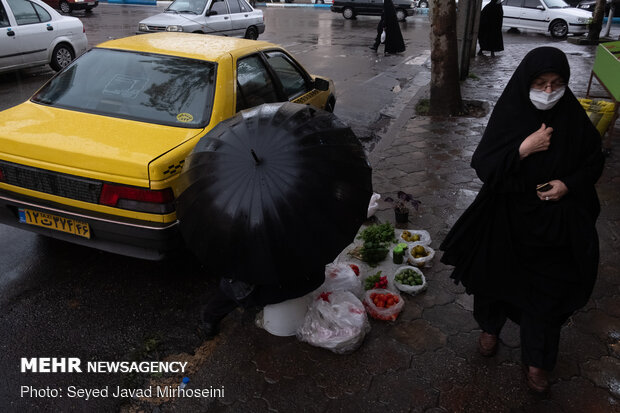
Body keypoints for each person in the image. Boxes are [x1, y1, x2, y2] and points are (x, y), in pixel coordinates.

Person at [440, 47, 604, 394]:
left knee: (546, 294)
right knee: (493, 280)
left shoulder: (573, 118)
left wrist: (567, 185)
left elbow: (593, 162)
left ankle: (538, 362)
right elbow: (484, 165)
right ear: (525, 82)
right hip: (506, 218)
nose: (548, 92)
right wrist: (523, 149)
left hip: (553, 225)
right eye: (541, 83)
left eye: (557, 83)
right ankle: (489, 329)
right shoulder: (510, 114)